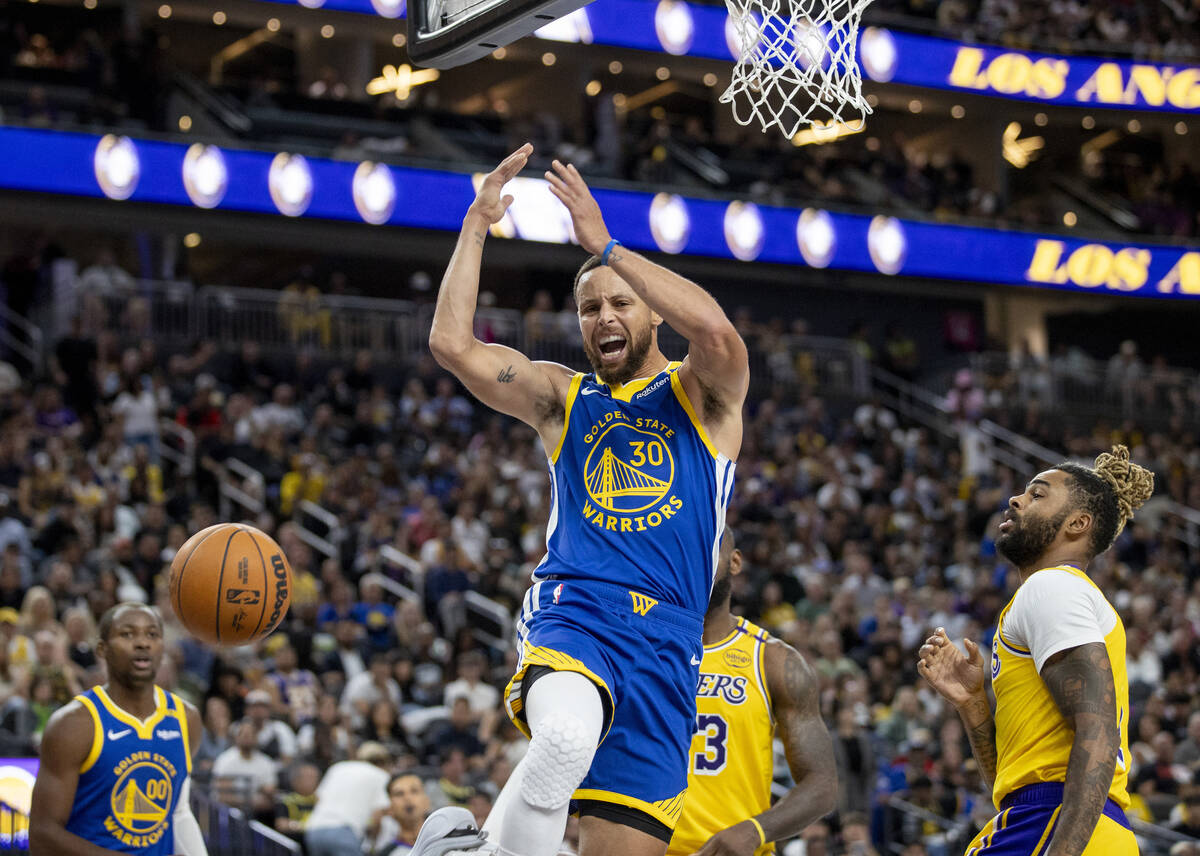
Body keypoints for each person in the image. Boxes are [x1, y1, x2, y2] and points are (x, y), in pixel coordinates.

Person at [416, 144, 749, 856]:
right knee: (563, 739)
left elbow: (718, 332)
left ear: (653, 314)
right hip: (582, 611)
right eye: (589, 306)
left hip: (670, 648)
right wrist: (476, 224)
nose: (603, 316)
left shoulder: (703, 396)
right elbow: (451, 343)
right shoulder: (562, 398)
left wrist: (607, 248)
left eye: (619, 303)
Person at [919, 445, 1154, 856]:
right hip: (1058, 820)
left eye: (1038, 494)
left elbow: (1097, 730)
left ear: (1078, 523)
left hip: (1054, 822)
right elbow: (1010, 787)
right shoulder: (1056, 594)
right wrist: (974, 705)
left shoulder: (1052, 587)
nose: (1016, 499)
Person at [668, 534, 837, 856]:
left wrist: (755, 831)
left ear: (735, 561)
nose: (696, 558)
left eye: (709, 547)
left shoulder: (773, 660)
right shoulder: (636, 651)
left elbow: (822, 784)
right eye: (687, 549)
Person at [29, 602, 208, 855]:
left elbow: (177, 811)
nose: (142, 643)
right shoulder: (74, 724)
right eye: (127, 634)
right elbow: (42, 835)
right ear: (102, 649)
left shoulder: (186, 718)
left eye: (152, 634)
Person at [305, 741, 394, 856]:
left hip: (314, 831)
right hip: (344, 833)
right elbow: (377, 816)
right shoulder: (381, 775)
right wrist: (373, 844)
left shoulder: (338, 767)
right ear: (385, 762)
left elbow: (318, 798)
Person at [374, 772, 433, 856]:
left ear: (427, 801)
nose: (407, 798)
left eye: (414, 791)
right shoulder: (386, 854)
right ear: (390, 808)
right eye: (399, 794)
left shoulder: (450, 843)